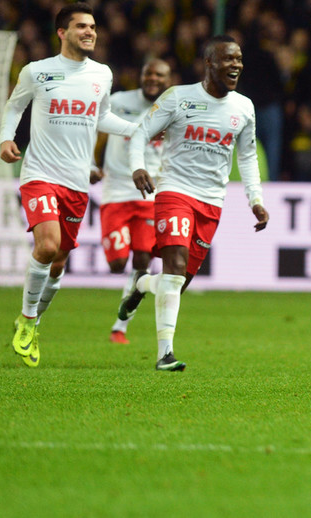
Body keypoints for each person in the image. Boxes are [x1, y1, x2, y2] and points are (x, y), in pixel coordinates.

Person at [119, 35, 270, 371]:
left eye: (239, 59)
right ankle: (165, 355)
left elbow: (246, 157)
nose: (236, 66)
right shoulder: (178, 98)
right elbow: (141, 133)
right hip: (174, 191)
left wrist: (255, 199)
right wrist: (138, 166)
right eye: (228, 59)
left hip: (212, 202)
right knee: (174, 268)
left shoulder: (244, 107)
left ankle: (141, 283)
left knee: (177, 282)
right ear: (208, 63)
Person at [0, 2, 138, 368]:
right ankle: (28, 321)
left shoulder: (102, 74)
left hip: (77, 181)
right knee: (47, 246)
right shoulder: (38, 72)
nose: (90, 32)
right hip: (40, 174)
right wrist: (5, 139)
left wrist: (138, 128)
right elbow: (15, 107)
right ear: (62, 33)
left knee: (58, 263)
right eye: (81, 26)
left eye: (92, 26)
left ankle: (32, 321)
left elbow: (102, 116)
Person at [91, 59, 172, 345]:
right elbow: (99, 136)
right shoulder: (119, 100)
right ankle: (130, 296)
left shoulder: (173, 109)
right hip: (115, 190)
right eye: (148, 72)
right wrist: (93, 164)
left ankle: (120, 326)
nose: (152, 78)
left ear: (168, 79)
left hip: (149, 195)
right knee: (116, 263)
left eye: (159, 75)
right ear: (141, 76)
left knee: (142, 259)